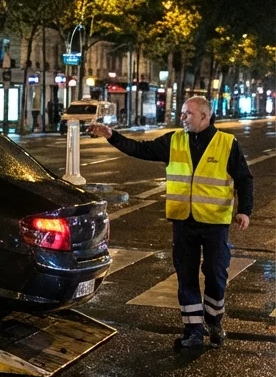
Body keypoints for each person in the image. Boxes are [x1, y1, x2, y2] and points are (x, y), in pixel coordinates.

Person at [87, 96, 253, 349]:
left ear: (205, 117)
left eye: (188, 113)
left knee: (215, 273)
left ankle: (214, 319)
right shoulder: (174, 140)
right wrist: (112, 135)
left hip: (214, 222)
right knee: (186, 276)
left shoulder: (227, 143)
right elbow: (140, 149)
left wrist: (245, 211)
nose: (183, 117)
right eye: (183, 113)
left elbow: (244, 178)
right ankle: (193, 330)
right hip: (182, 221)